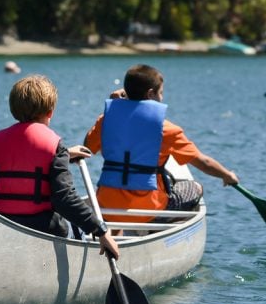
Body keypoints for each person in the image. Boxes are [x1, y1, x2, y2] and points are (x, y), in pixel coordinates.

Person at [84, 64, 239, 234]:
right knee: (195, 188)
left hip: (107, 204)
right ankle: (160, 233)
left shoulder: (105, 120)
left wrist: (115, 110)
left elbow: (86, 148)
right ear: (151, 94)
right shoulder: (167, 130)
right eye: (161, 93)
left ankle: (115, 238)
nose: (162, 97)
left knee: (119, 199)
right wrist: (226, 175)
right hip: (149, 210)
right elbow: (204, 162)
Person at [0, 75, 120, 259]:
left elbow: (24, 160)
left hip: (3, 223)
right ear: (50, 112)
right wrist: (101, 230)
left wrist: (64, 154)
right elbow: (64, 199)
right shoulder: (53, 144)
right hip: (42, 227)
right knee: (78, 229)